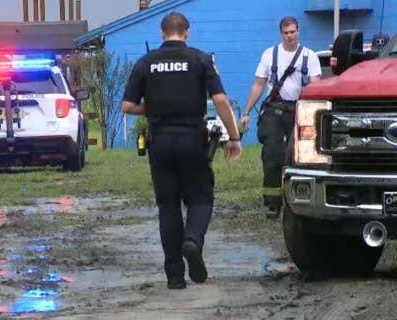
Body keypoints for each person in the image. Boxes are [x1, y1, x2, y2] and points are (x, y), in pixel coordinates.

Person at [121, 12, 241, 290]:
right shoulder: (201, 60)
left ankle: (174, 276)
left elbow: (127, 107)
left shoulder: (145, 63)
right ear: (186, 33)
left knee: (168, 207)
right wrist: (233, 137)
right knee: (200, 199)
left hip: (160, 142)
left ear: (163, 33)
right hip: (192, 139)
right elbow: (221, 100)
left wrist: (154, 107)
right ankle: (193, 241)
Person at [240, 16, 321, 219]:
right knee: (272, 156)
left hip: (300, 111)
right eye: (286, 33)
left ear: (298, 31)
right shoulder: (270, 55)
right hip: (275, 111)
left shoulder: (309, 56)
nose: (289, 36)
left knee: (304, 156)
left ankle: (305, 199)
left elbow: (316, 85)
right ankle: (273, 203)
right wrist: (246, 112)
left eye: (293, 32)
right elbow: (259, 84)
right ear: (281, 34)